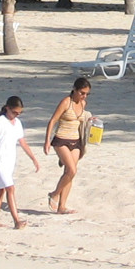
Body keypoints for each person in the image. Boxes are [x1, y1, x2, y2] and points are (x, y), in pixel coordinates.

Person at [44, 76, 93, 214]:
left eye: (86, 94)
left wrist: (89, 119)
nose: (84, 96)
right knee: (72, 170)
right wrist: (47, 140)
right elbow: (53, 120)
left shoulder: (83, 104)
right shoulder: (66, 102)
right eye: (81, 93)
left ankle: (62, 206)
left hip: (76, 141)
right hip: (61, 139)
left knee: (69, 173)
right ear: (74, 89)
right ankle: (54, 194)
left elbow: (81, 119)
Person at [0, 96, 38, 229]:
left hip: (10, 160)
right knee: (10, 188)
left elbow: (23, 142)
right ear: (7, 108)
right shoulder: (0, 121)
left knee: (1, 190)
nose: (16, 115)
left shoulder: (17, 123)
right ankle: (17, 221)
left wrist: (33, 158)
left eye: (19, 113)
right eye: (14, 112)